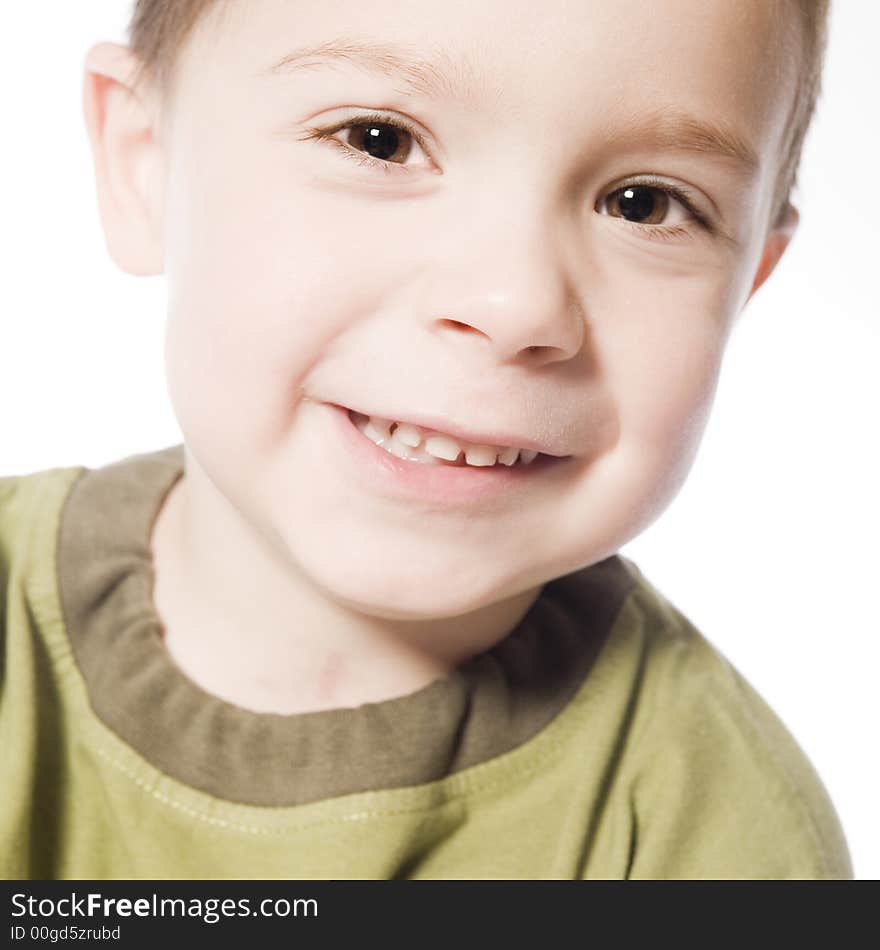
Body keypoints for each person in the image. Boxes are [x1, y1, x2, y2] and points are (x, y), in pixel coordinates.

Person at [0, 0, 852, 879]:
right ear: (146, 163)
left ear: (744, 286)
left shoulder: (714, 838)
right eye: (379, 140)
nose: (515, 303)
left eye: (646, 204)